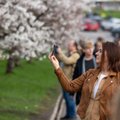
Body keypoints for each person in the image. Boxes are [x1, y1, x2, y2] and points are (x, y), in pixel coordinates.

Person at [49, 42, 120, 120]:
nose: (96, 53)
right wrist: (57, 67)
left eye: (100, 51)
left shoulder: (117, 78)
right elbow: (70, 87)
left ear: (109, 54)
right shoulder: (90, 73)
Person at [56, 40, 80, 120]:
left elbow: (67, 60)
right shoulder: (69, 54)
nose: (68, 46)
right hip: (65, 80)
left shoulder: (76, 55)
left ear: (74, 46)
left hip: (70, 81)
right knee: (66, 98)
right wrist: (56, 52)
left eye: (70, 45)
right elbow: (62, 59)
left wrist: (60, 52)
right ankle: (68, 115)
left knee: (70, 99)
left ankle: (72, 116)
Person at [73, 41, 97, 105]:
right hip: (83, 92)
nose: (91, 50)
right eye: (88, 48)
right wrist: (72, 91)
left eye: (92, 48)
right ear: (84, 50)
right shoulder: (79, 62)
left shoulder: (98, 59)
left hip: (96, 91)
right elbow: (76, 76)